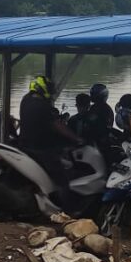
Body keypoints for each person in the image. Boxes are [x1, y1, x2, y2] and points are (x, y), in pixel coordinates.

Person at [18, 76, 82, 204]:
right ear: (41, 88)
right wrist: (77, 139)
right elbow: (57, 125)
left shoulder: (25, 100)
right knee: (62, 179)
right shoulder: (42, 105)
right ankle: (65, 209)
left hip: (25, 143)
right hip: (40, 148)